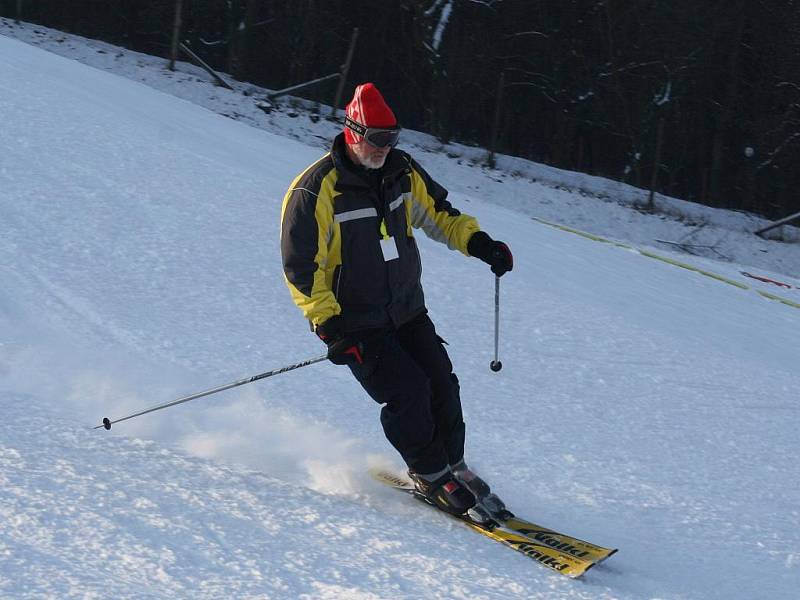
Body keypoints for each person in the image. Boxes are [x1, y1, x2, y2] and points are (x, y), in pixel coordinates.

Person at [280, 83, 513, 516]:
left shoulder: (402, 171)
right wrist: (328, 326)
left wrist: (480, 244)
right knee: (407, 391)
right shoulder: (316, 191)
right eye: (377, 138)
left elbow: (441, 215)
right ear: (353, 131)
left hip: (406, 308)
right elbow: (301, 267)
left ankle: (453, 463)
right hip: (356, 321)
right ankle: (429, 472)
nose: (385, 148)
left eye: (393, 138)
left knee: (442, 380)